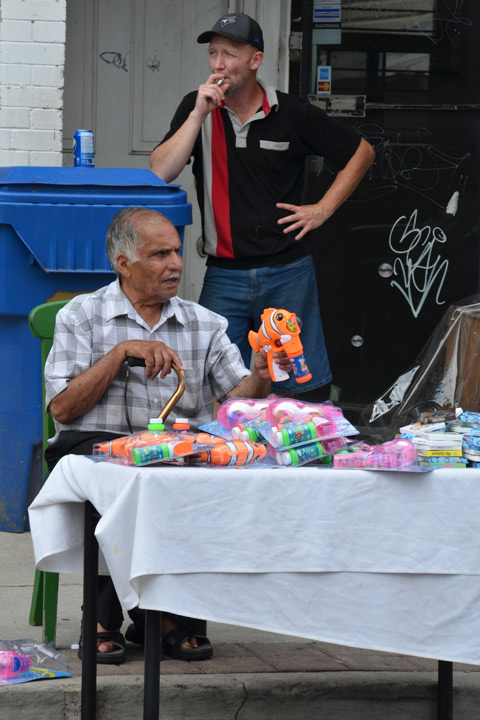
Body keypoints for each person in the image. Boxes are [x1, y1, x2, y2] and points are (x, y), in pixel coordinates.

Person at [44, 206, 290, 664]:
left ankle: (166, 616)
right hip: (92, 446)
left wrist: (260, 374)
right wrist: (120, 354)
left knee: (195, 476)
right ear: (124, 264)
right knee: (118, 479)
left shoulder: (205, 324)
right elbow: (62, 407)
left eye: (177, 252)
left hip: (174, 453)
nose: (176, 264)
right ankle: (120, 620)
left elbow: (238, 410)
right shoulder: (82, 315)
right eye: (160, 254)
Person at [150, 12, 375, 398]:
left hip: (287, 270)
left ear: (255, 61)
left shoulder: (292, 113)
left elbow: (362, 152)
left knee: (301, 385)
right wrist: (198, 114)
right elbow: (160, 172)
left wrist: (322, 209)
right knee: (211, 384)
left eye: (230, 54)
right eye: (214, 53)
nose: (219, 64)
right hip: (224, 273)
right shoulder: (197, 109)